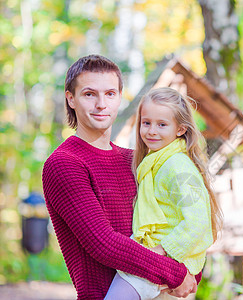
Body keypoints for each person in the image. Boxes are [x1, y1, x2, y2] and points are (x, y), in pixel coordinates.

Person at [42, 55, 199, 300]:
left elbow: (182, 215)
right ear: (71, 99)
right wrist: (176, 274)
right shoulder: (64, 164)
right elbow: (104, 244)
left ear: (119, 98)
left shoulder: (136, 160)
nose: (101, 104)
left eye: (110, 94)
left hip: (161, 293)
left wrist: (191, 271)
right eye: (89, 94)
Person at [105, 87, 222, 300]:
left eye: (162, 125)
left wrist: (161, 251)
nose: (151, 131)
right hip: (153, 251)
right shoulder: (154, 162)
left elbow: (198, 221)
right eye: (146, 122)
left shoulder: (178, 166)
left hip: (166, 257)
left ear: (180, 129)